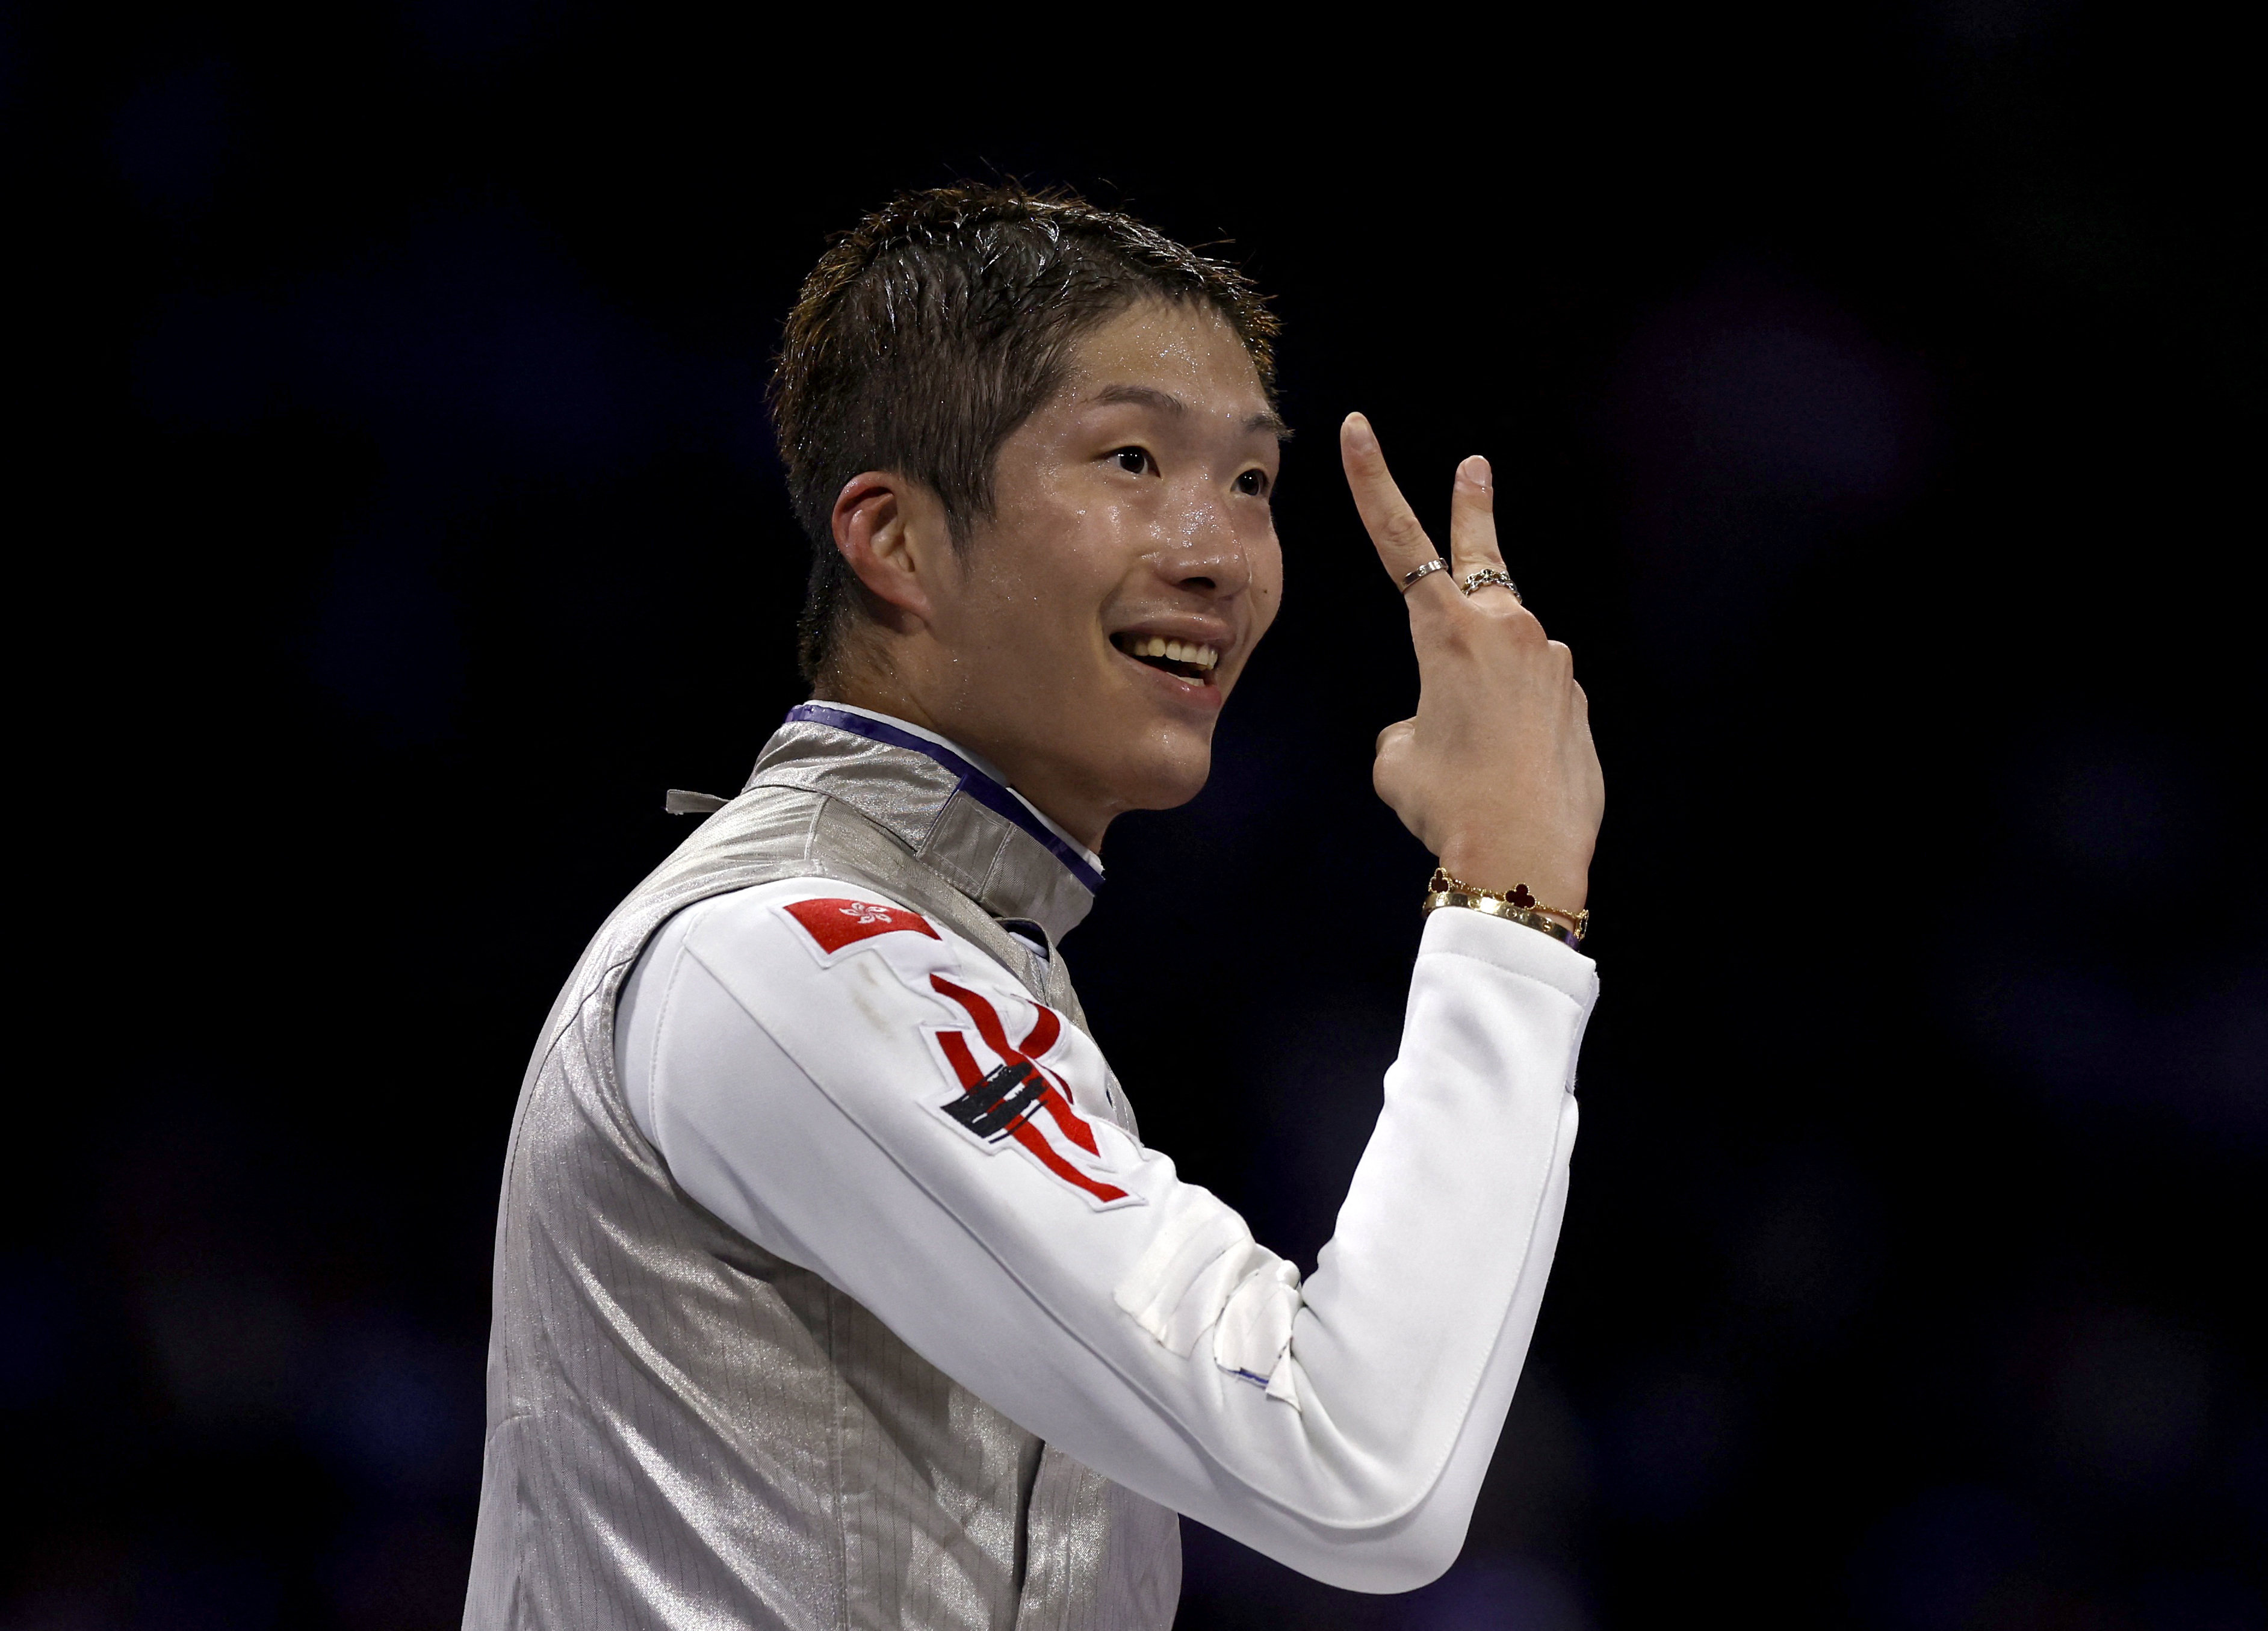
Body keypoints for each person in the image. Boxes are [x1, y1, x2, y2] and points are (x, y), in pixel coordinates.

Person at [463, 184, 1605, 1631]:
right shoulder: (789, 958)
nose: (1216, 552)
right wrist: (1510, 895)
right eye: (1133, 458)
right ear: (894, 541)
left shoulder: (963, 957)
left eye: (1251, 483)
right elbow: (1357, 1469)